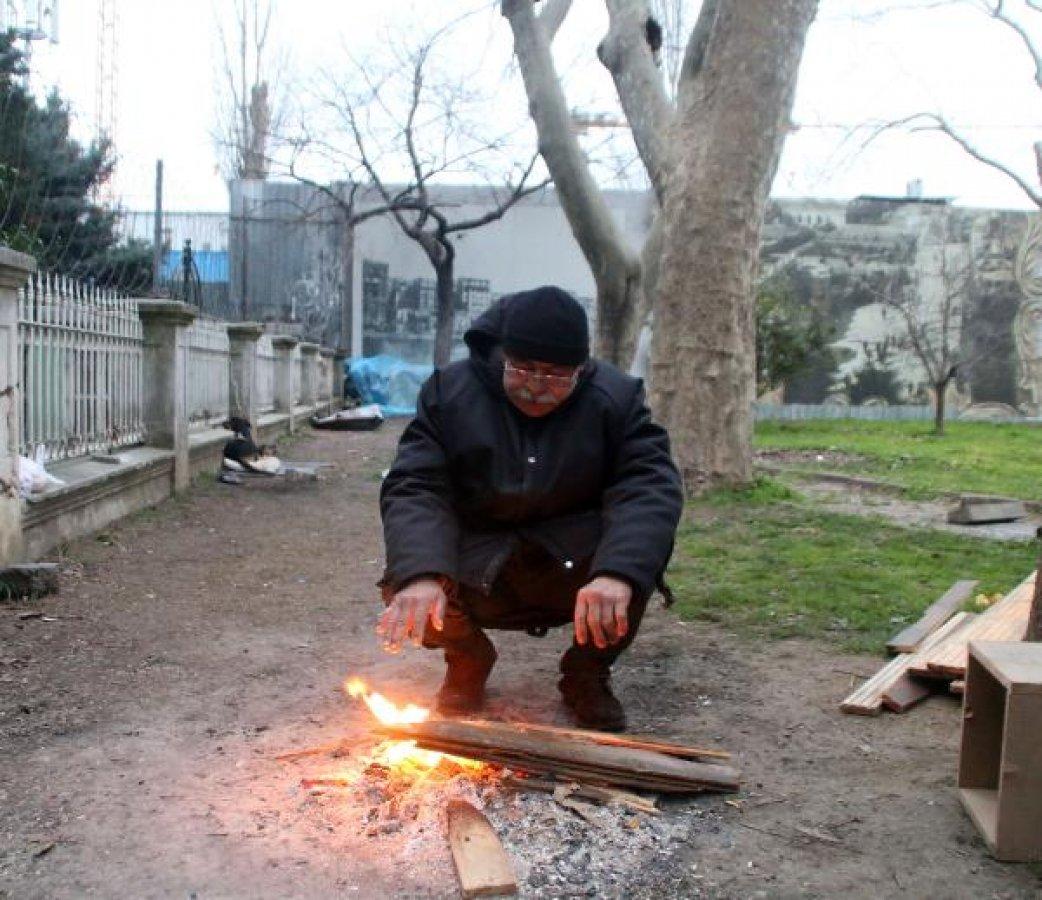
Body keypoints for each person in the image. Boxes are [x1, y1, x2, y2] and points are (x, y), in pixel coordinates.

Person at [378, 286, 683, 731]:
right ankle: (467, 658)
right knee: (408, 578)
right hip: (480, 561)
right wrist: (421, 573)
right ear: (502, 354)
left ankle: (586, 675)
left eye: (558, 376)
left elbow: (649, 485)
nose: (538, 387)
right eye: (523, 368)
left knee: (635, 561)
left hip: (570, 562)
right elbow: (416, 484)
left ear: (582, 369)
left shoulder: (616, 400)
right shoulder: (451, 392)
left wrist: (616, 571)